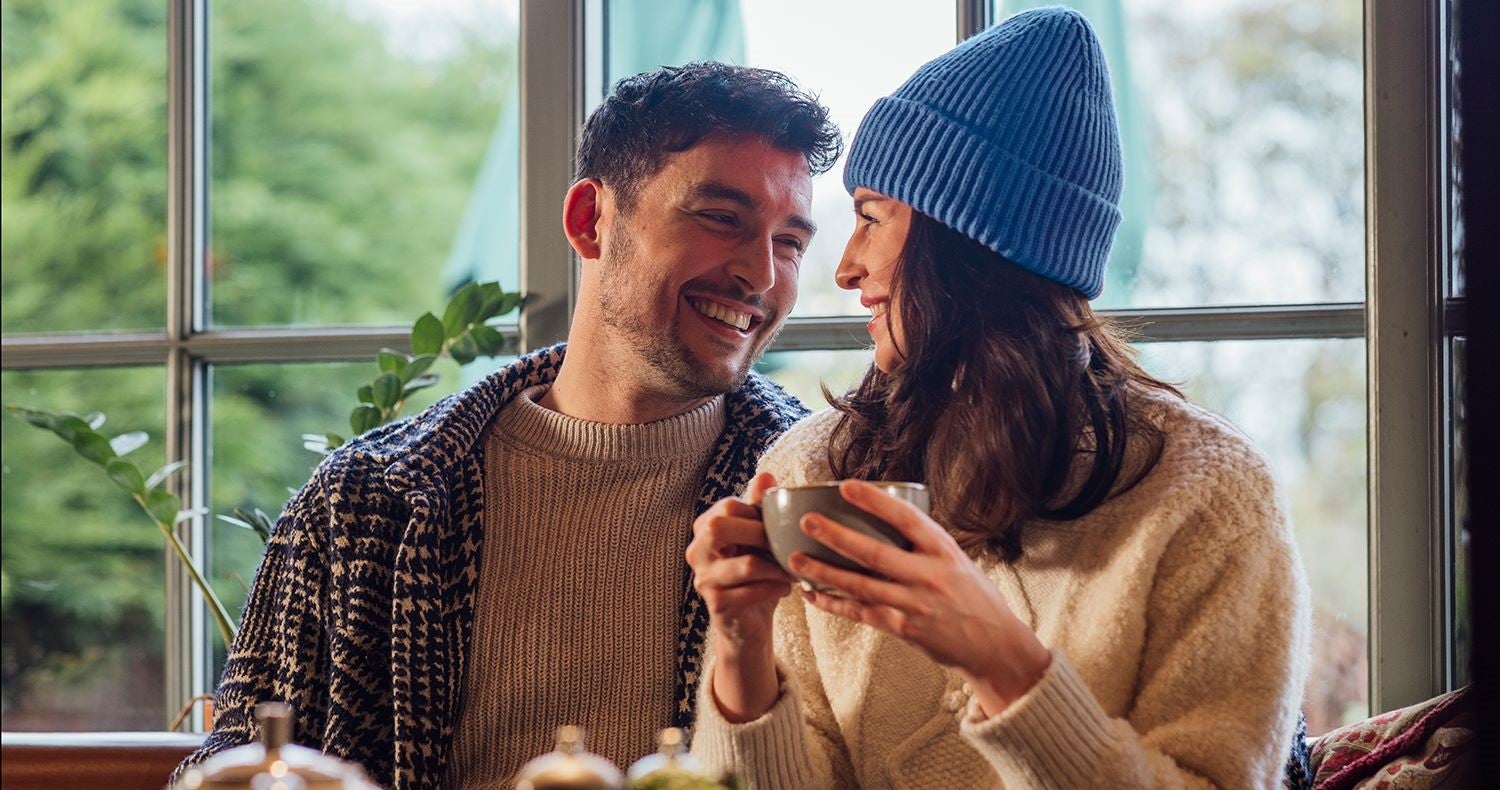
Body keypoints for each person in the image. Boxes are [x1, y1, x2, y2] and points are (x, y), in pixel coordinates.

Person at [685, 8, 1311, 789]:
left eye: (872, 219)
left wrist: (999, 657)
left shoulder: (1205, 494)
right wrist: (742, 649)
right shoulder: (815, 466)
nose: (844, 268)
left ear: (969, 241)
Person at [173, 62, 840, 789]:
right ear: (591, 221)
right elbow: (232, 763)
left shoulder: (817, 500)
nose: (762, 276)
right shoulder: (363, 504)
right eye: (721, 219)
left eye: (790, 241)